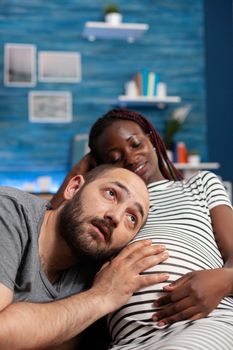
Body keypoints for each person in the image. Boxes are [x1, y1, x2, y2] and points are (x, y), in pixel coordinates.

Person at [52, 108, 233, 350]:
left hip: (201, 325)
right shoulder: (105, 210)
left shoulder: (199, 185)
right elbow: (47, 226)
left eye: (135, 144)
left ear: (152, 138)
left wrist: (224, 280)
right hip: (129, 341)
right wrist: (82, 169)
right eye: (114, 158)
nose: (130, 157)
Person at [0, 164, 171, 350]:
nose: (115, 217)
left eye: (132, 218)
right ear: (74, 188)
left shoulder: (100, 273)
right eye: (111, 194)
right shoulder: (8, 210)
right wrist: (101, 297)